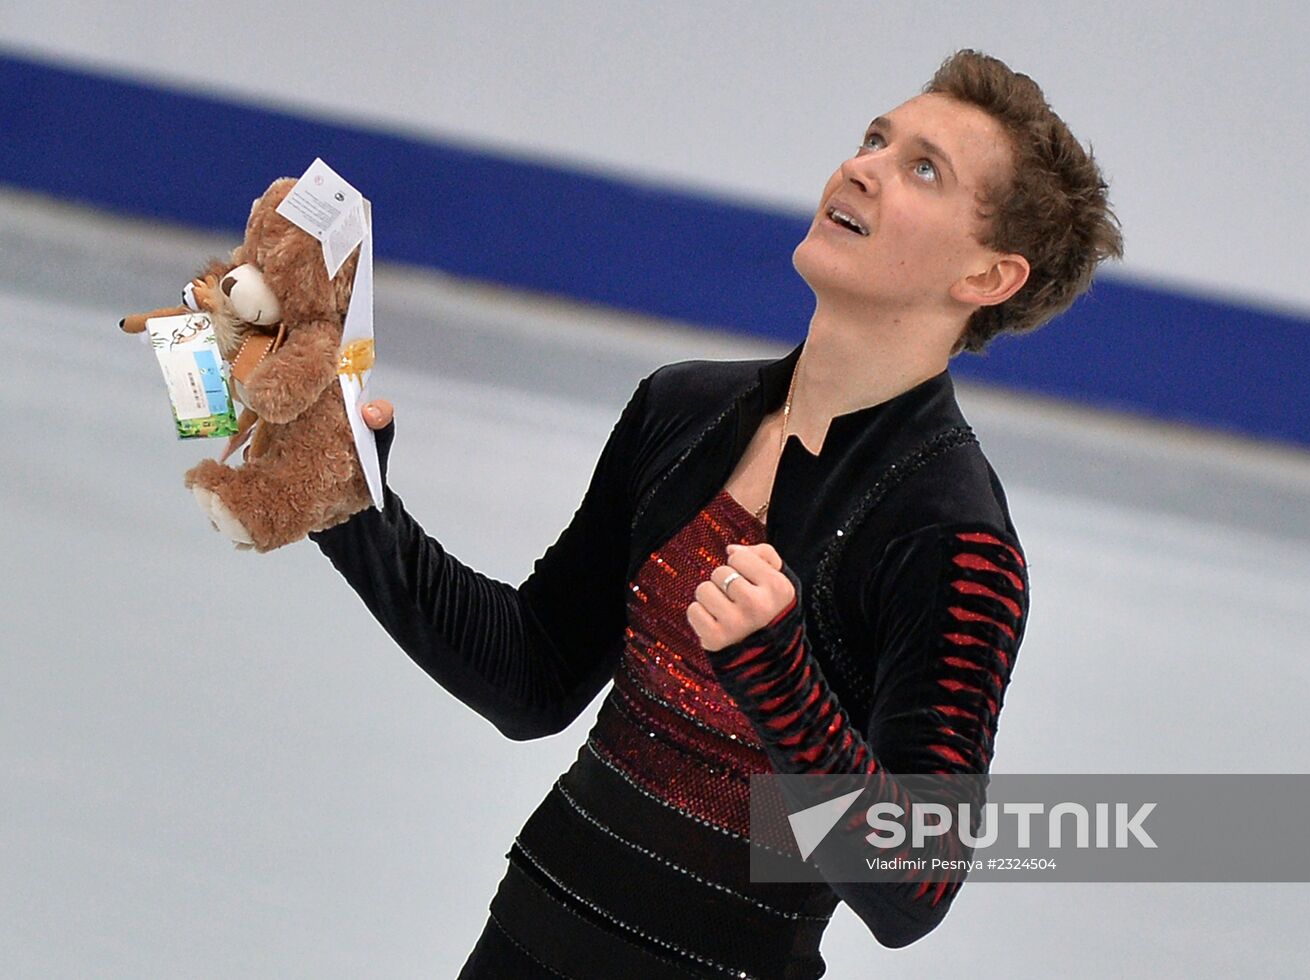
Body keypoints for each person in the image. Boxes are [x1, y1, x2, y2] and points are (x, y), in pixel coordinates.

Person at [310, 49, 1122, 979]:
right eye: (874, 139)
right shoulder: (684, 410)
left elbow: (913, 887)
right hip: (526, 940)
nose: (864, 167)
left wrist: (775, 672)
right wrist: (346, 498)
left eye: (922, 169)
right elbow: (533, 673)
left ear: (988, 276)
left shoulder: (955, 538)